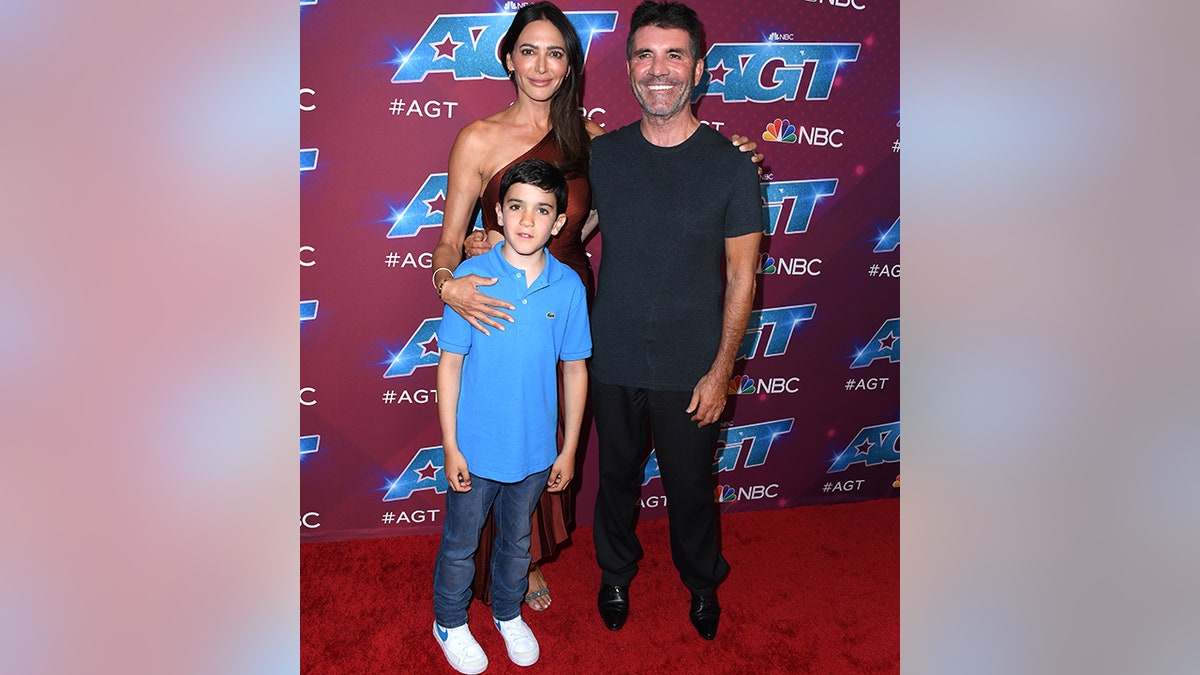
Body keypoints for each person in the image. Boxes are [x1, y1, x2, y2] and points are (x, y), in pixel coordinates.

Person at [428, 1, 762, 614]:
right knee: (534, 445)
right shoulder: (517, 142)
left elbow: (587, 223)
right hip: (529, 316)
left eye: (555, 52)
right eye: (528, 50)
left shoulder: (596, 145)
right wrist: (457, 272)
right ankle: (536, 569)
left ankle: (675, 580)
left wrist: (737, 155)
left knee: (592, 456)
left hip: (582, 313)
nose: (541, 64)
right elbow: (478, 232)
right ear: (507, 58)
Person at [587, 0, 763, 641]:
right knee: (616, 481)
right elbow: (566, 234)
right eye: (644, 54)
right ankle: (614, 574)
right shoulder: (603, 156)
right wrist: (485, 248)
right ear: (629, 66)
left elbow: (743, 278)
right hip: (612, 355)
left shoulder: (731, 163)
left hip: (693, 364)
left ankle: (702, 584)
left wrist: (721, 371)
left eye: (674, 54)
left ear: (699, 69)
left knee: (692, 488)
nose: (658, 69)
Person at [431, 158, 591, 674]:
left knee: (517, 542)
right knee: (460, 544)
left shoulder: (568, 287)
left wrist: (567, 449)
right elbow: (450, 364)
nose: (527, 219)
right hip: (475, 449)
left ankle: (506, 611)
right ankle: (449, 620)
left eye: (542, 210)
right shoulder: (471, 278)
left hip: (537, 451)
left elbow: (574, 369)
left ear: (559, 223)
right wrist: (451, 445)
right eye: (516, 206)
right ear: (497, 213)